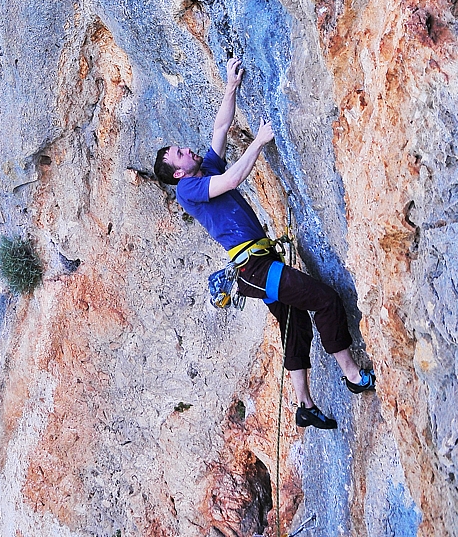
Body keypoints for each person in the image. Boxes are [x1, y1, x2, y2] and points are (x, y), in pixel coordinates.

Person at [153, 57, 375, 429]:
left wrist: (230, 86)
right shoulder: (190, 189)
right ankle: (352, 375)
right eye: (180, 154)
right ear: (177, 172)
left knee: (296, 325)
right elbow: (231, 181)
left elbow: (220, 127)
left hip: (259, 264)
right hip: (255, 269)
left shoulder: (202, 168)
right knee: (324, 299)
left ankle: (304, 406)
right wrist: (258, 141)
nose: (187, 150)